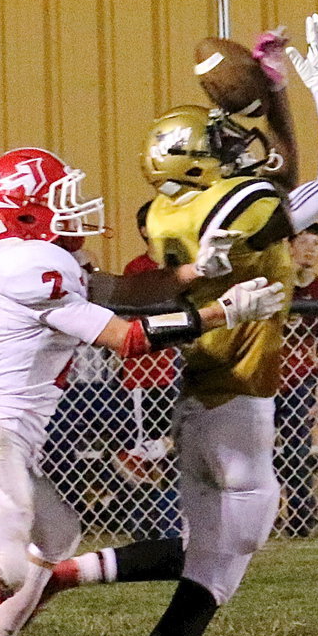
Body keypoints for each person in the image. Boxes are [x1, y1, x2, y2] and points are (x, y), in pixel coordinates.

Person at [0, 146, 284, 636]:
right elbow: (127, 337)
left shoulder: (41, 262)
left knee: (56, 535)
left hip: (1, 441)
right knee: (5, 560)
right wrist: (221, 314)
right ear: (26, 213)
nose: (77, 209)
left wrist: (198, 273)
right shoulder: (32, 268)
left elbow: (119, 291)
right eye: (59, 199)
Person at [78, 14, 318, 636]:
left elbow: (277, 181)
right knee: (213, 579)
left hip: (197, 402)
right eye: (220, 144)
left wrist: (274, 95)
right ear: (202, 166)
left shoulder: (163, 210)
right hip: (245, 410)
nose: (235, 145)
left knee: (202, 559)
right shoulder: (238, 208)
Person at [112, 200, 183, 537]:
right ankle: (142, 522)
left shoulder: (180, 265)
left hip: (173, 366)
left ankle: (168, 519)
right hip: (142, 372)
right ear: (144, 230)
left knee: (169, 444)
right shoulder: (137, 268)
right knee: (145, 447)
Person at [276, 222, 318, 535]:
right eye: (303, 241)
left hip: (299, 380)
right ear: (290, 246)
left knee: (297, 451)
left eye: (316, 244)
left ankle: (301, 518)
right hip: (266, 376)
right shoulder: (276, 285)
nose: (310, 249)